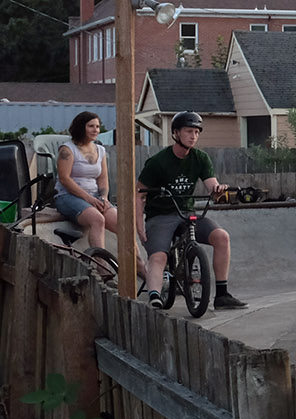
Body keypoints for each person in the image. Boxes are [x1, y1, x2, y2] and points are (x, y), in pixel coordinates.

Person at [137, 111, 246, 310]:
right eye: (189, 131)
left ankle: (222, 295)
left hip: (186, 212)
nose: (193, 136)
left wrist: (218, 190)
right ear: (176, 133)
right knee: (159, 255)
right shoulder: (158, 162)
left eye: (196, 132)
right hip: (160, 215)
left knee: (222, 237)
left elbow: (212, 187)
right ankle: (154, 296)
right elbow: (139, 194)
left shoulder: (201, 158)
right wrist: (139, 225)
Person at [53, 111, 120, 252]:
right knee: (97, 219)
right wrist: (88, 198)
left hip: (94, 197)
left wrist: (103, 198)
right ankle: (101, 266)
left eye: (97, 126)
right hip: (67, 196)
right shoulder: (67, 149)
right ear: (81, 127)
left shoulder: (100, 150)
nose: (95, 130)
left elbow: (102, 178)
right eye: (91, 126)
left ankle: (141, 268)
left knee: (121, 222)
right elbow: (64, 179)